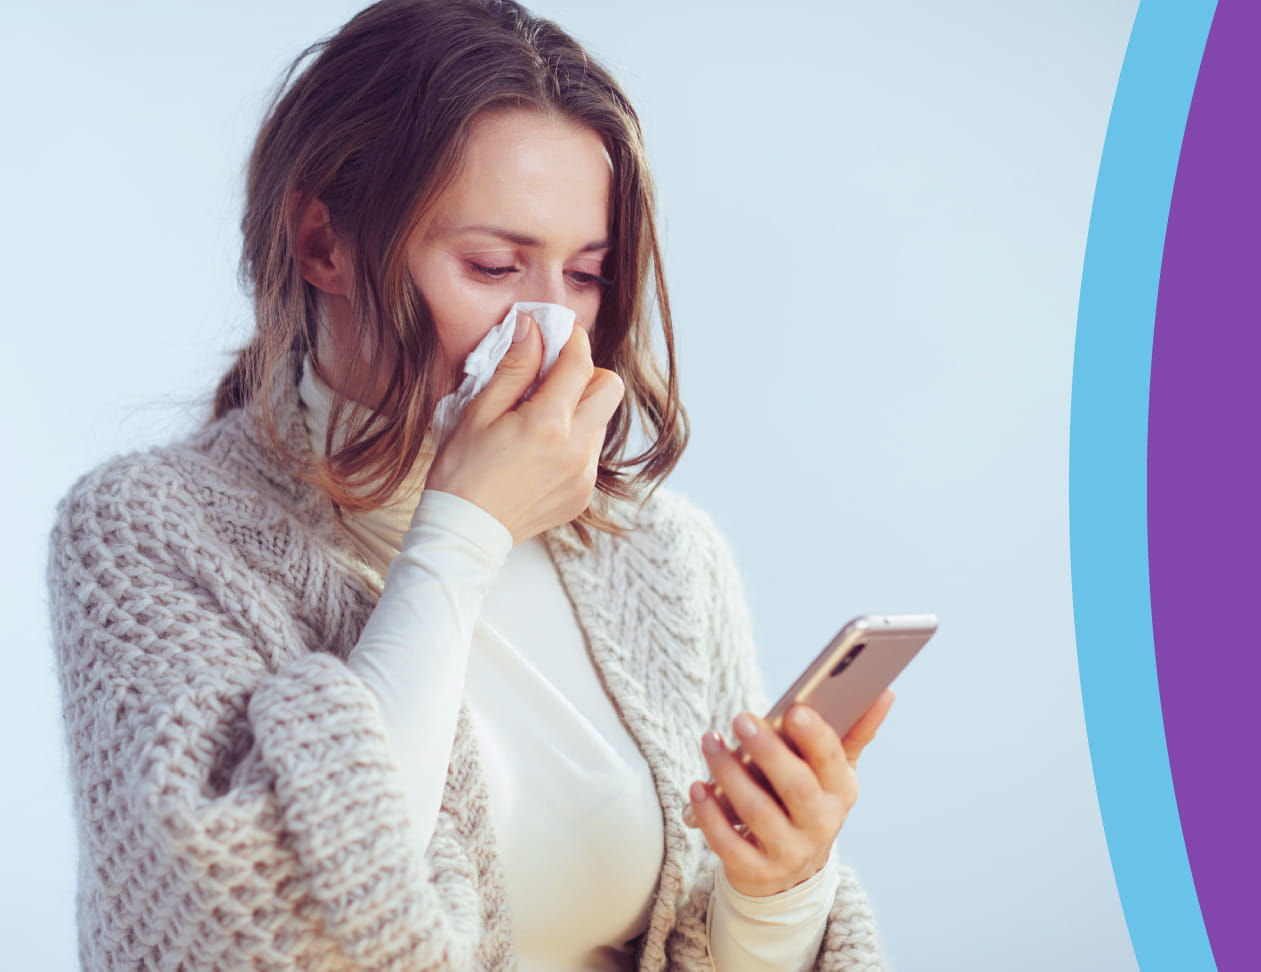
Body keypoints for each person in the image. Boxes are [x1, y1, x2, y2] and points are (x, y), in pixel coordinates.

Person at [47, 1, 893, 969]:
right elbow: (257, 933)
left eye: (584, 274)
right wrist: (464, 531)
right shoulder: (143, 535)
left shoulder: (663, 557)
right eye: (492, 264)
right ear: (324, 242)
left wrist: (777, 891)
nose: (547, 329)